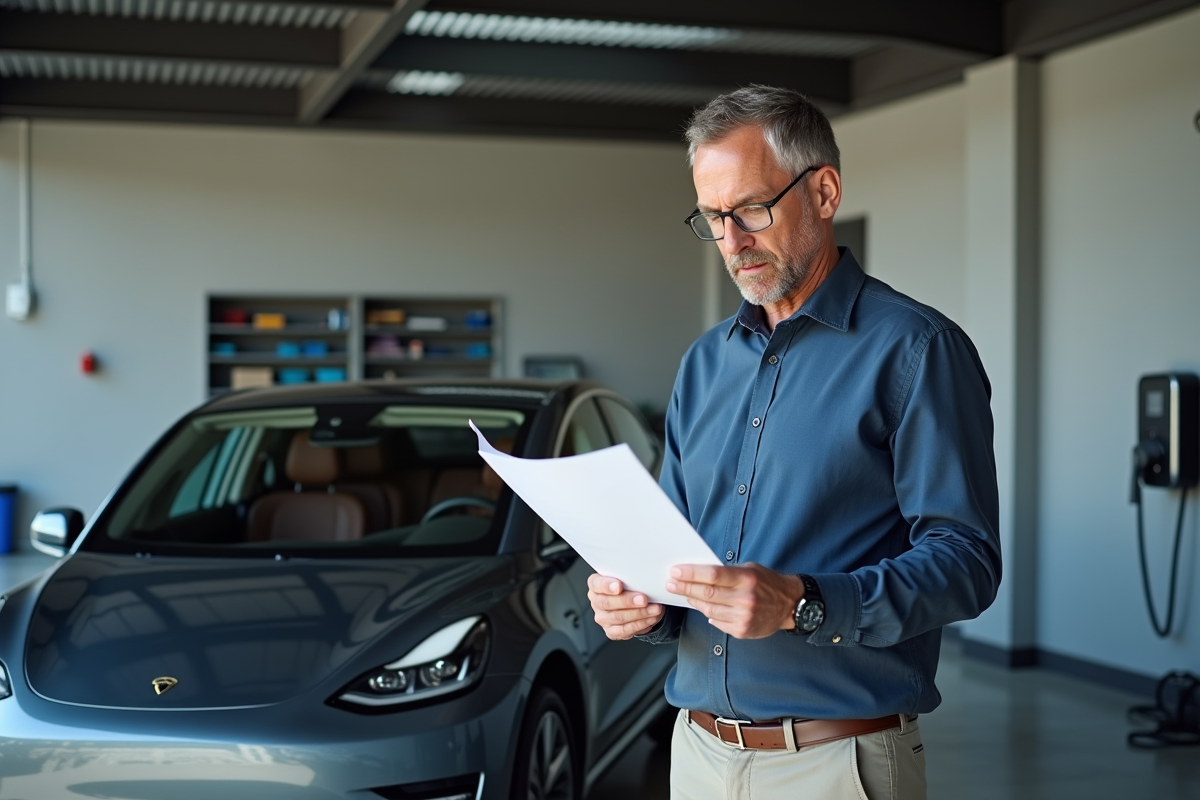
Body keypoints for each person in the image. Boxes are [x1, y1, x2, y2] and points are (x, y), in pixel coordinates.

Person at [586, 85, 1002, 800]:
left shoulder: (917, 350)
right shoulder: (704, 364)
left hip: (835, 766)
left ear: (825, 191)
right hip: (697, 754)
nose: (732, 241)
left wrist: (807, 604)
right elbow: (677, 554)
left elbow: (967, 563)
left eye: (750, 208)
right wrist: (643, 606)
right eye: (713, 218)